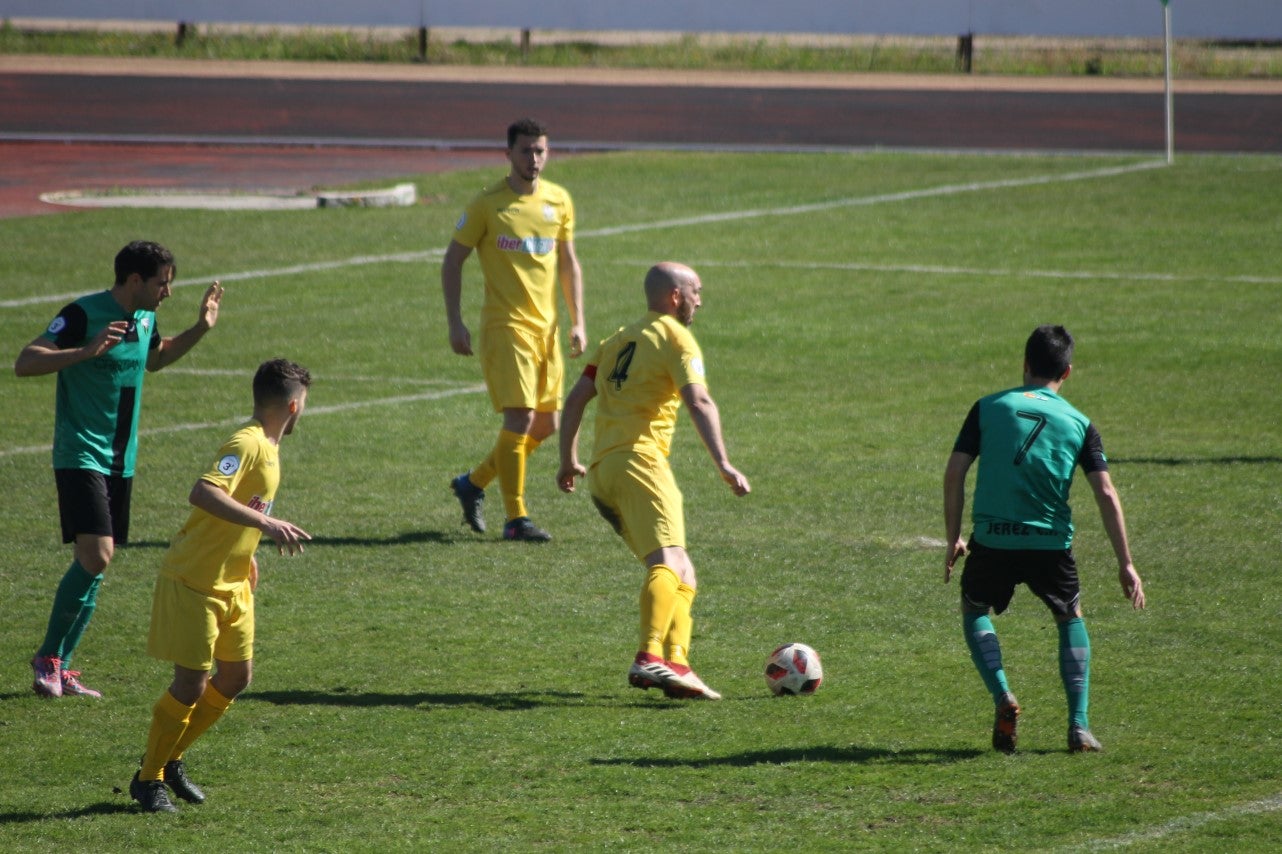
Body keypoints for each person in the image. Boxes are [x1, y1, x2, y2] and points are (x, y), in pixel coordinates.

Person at [14, 240, 224, 699]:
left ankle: (61, 668)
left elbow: (156, 358)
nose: (167, 292)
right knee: (98, 556)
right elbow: (25, 362)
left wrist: (201, 328)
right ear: (135, 281)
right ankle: (48, 656)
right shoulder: (81, 314)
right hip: (80, 453)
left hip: (120, 458)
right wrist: (84, 352)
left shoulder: (144, 318)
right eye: (162, 284)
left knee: (94, 565)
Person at [943, 324, 1145, 754]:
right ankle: (1079, 726)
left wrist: (954, 536)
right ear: (1067, 373)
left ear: (1025, 364)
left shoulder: (987, 407)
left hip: (994, 540)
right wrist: (1125, 563)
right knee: (1070, 617)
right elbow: (1105, 492)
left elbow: (955, 471)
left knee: (975, 609)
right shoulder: (1080, 423)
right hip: (1050, 544)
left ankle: (1003, 696)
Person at [557, 262, 750, 700]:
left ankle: (677, 663)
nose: (701, 300)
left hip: (604, 472)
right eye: (696, 291)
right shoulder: (675, 337)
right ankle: (649, 657)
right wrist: (723, 462)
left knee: (683, 570)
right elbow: (698, 399)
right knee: (668, 561)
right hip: (640, 463)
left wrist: (567, 459)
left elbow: (575, 400)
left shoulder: (615, 339)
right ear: (675, 297)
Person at [130, 358, 312, 813]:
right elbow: (204, 492)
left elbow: (243, 505)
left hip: (233, 583)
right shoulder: (246, 442)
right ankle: (148, 779)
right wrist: (267, 524)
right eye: (305, 404)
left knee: (235, 677)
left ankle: (170, 759)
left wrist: (247, 555)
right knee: (190, 685)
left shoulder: (271, 446)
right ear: (293, 405)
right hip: (195, 580)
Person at [442, 117, 586, 542]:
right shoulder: (488, 204)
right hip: (506, 328)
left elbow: (568, 263)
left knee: (546, 426)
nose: (534, 159)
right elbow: (452, 261)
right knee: (520, 419)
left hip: (548, 331)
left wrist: (578, 321)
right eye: (526, 151)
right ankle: (516, 519)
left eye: (541, 150)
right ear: (508, 154)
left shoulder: (559, 201)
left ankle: (473, 483)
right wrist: (455, 320)